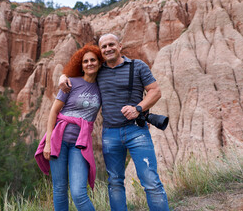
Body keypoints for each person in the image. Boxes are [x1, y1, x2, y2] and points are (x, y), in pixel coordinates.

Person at [59, 33, 170, 211]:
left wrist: (138, 109)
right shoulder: (98, 71)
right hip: (110, 133)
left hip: (136, 131)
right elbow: (76, 72)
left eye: (111, 44)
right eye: (104, 47)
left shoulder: (137, 66)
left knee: (150, 181)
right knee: (115, 182)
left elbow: (155, 91)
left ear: (120, 46)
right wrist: (62, 76)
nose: (108, 49)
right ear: (101, 51)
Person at [35, 44, 104, 211]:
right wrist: (48, 143)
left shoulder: (103, 87)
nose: (89, 64)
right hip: (59, 140)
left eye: (93, 60)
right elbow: (54, 112)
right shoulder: (71, 83)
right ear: (80, 65)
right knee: (59, 189)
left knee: (79, 193)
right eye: (85, 61)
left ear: (100, 63)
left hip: (79, 145)